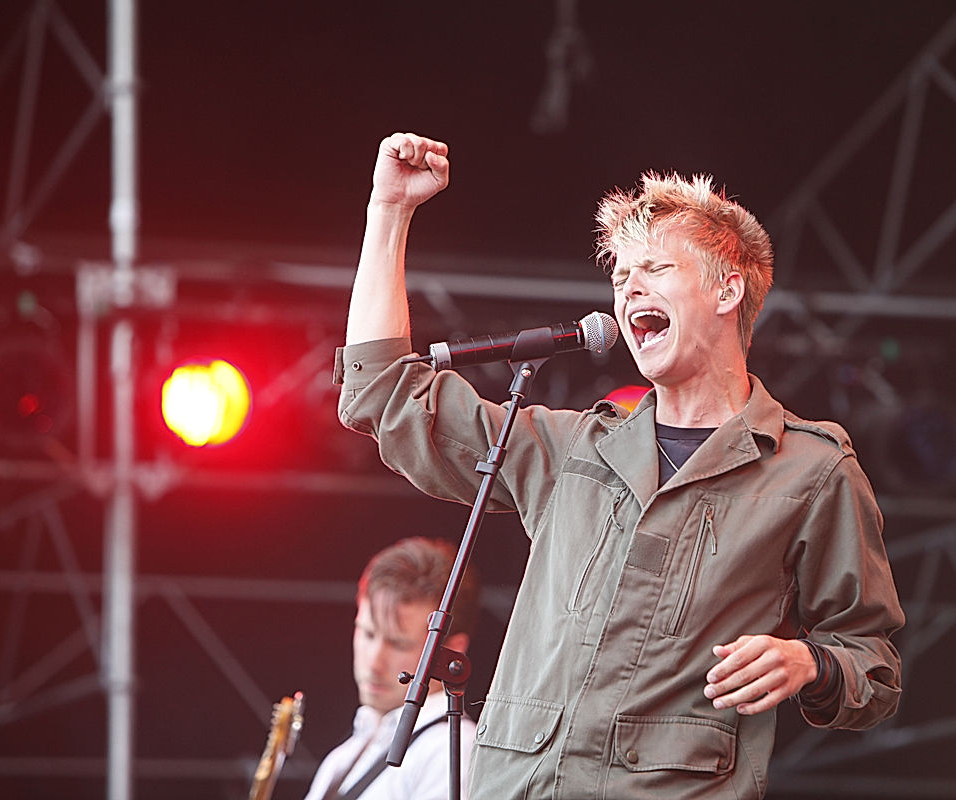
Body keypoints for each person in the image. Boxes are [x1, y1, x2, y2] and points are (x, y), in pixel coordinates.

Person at [333, 132, 905, 799]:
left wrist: (811, 662)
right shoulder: (572, 449)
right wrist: (388, 212)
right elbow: (385, 393)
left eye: (654, 269)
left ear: (728, 290)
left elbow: (876, 666)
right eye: (619, 275)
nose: (627, 288)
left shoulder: (810, 469)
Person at [303, 536, 480, 800]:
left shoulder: (452, 751)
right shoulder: (343, 756)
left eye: (398, 644)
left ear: (453, 652)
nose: (375, 662)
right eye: (368, 634)